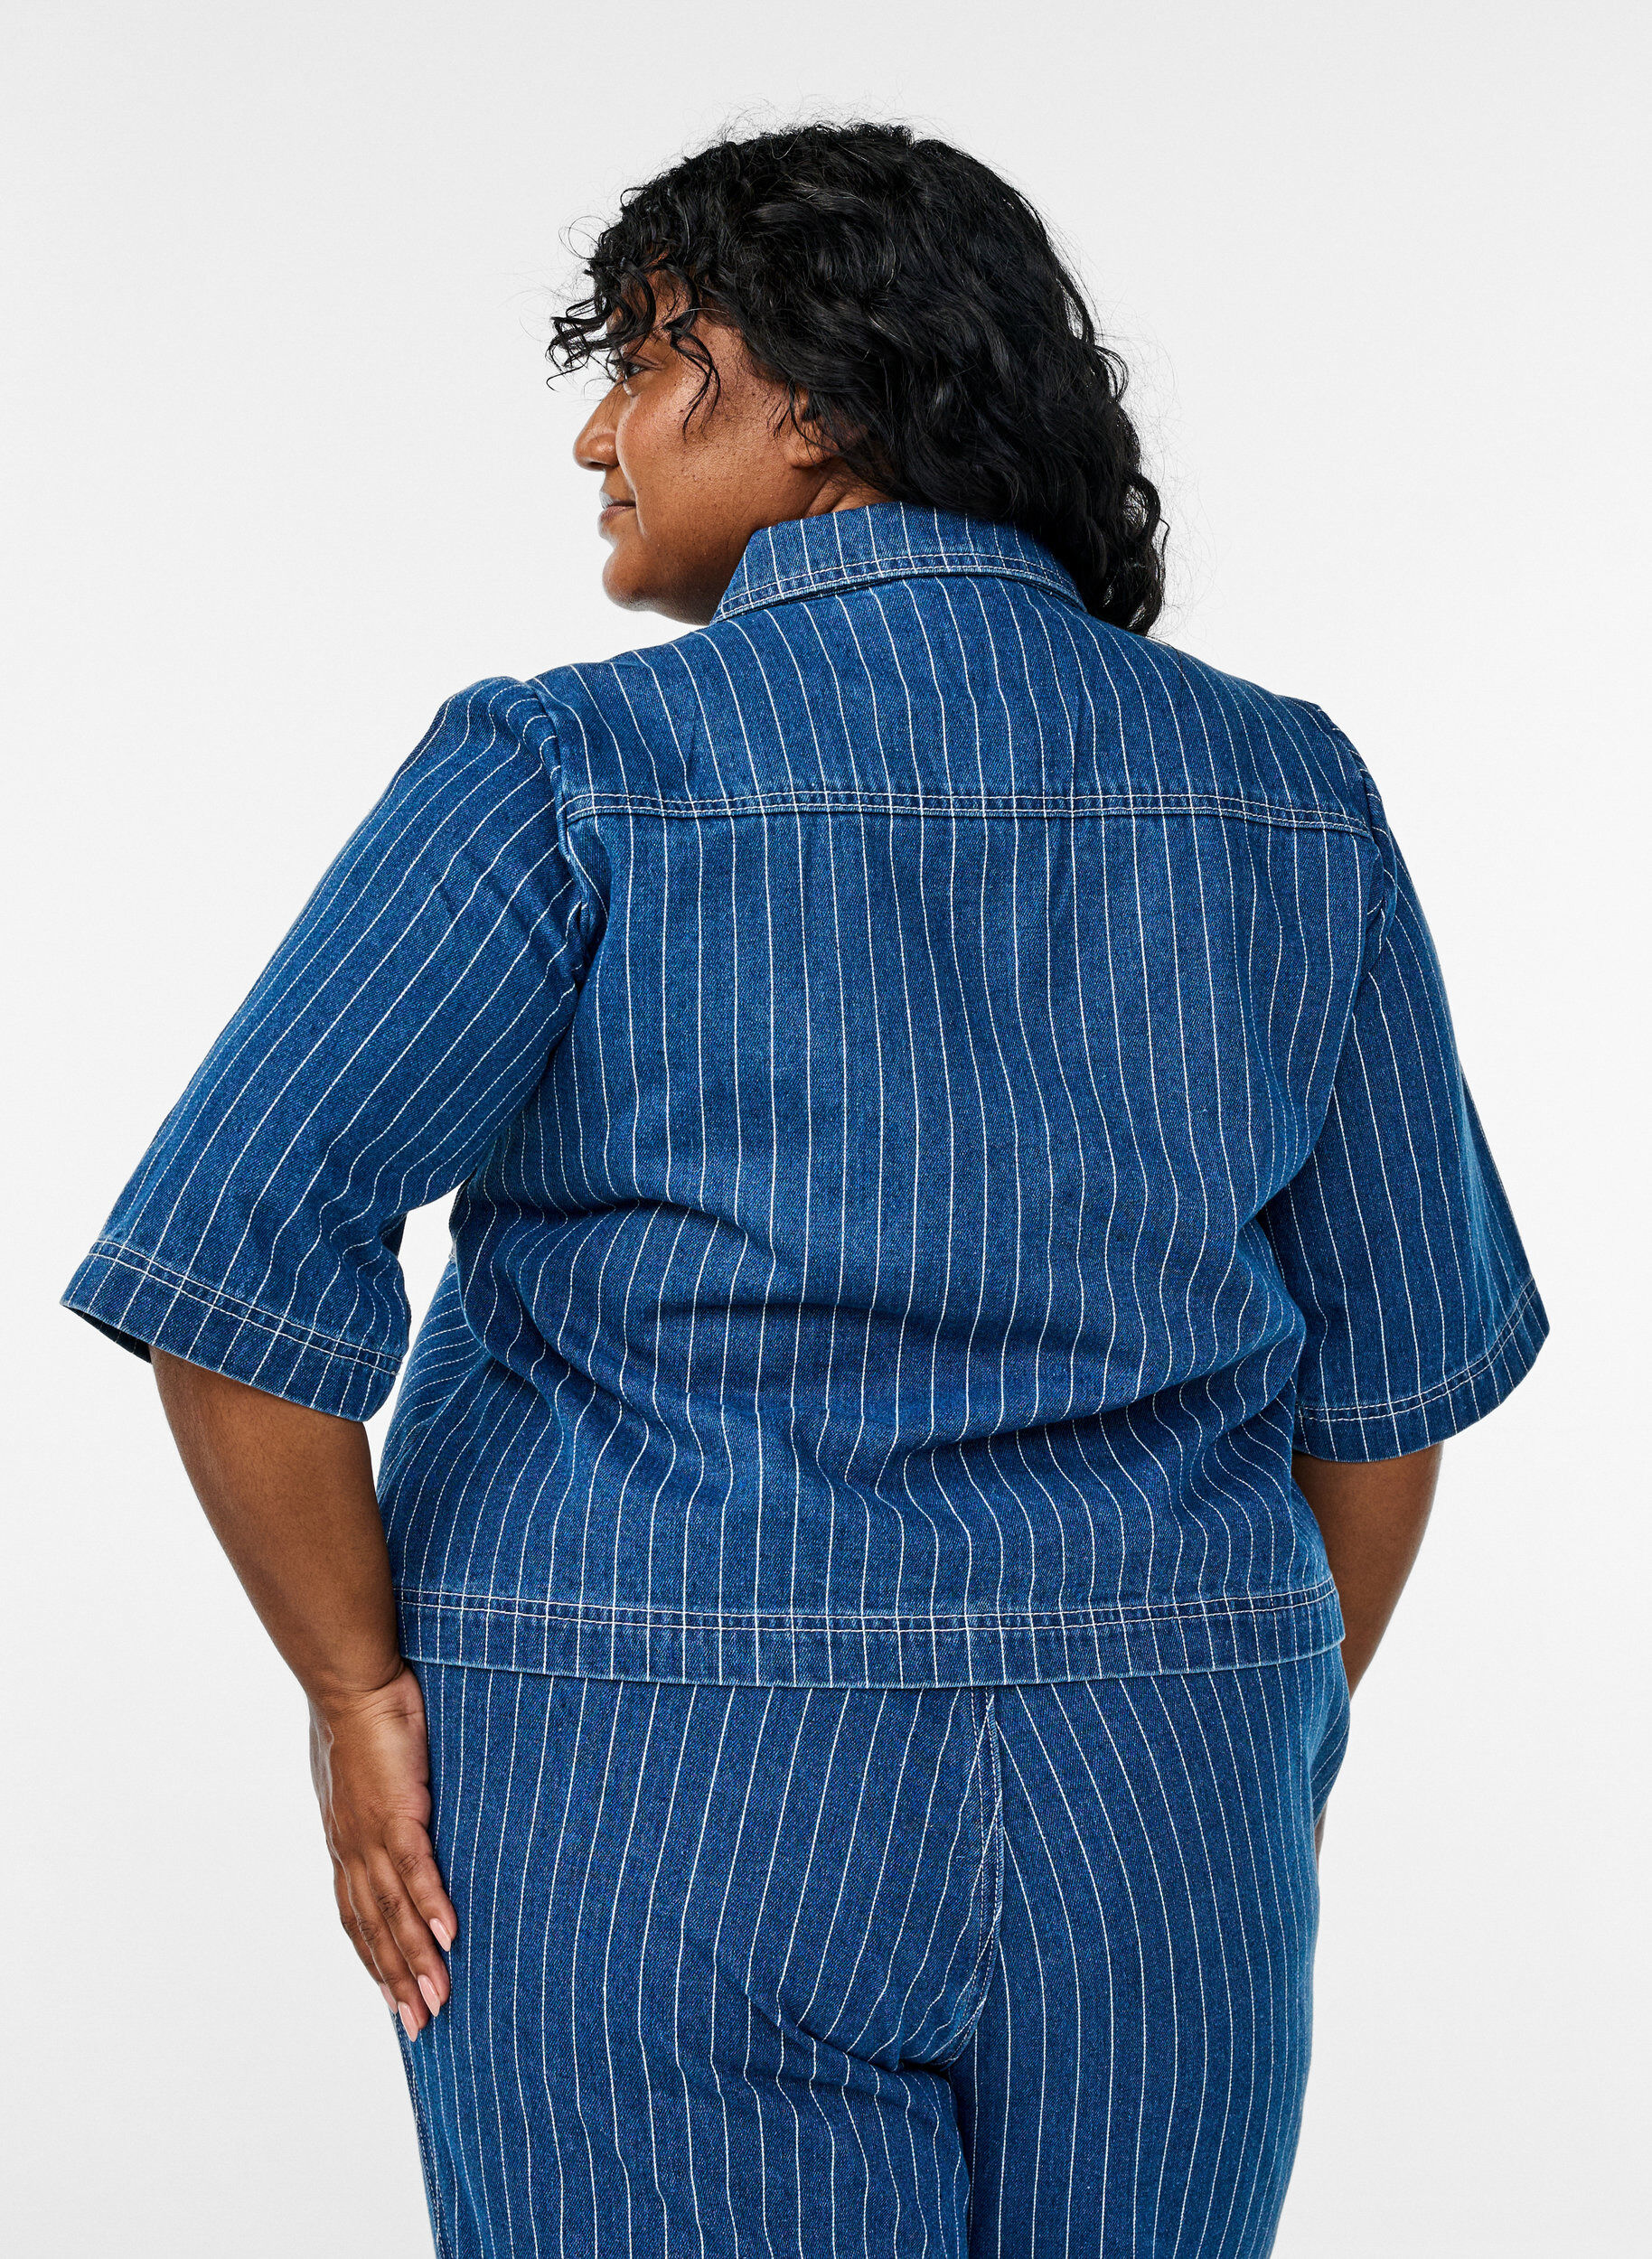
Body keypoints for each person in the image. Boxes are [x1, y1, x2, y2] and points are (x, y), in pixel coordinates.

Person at [61, 121, 1546, 2259]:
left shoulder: (569, 768)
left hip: (646, 1781)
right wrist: (1237, 1725)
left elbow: (231, 1260)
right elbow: (1385, 1377)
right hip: (1164, 1787)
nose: (596, 430)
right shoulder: (1283, 788)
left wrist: (355, 1697)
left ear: (828, 400)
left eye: (650, 356)